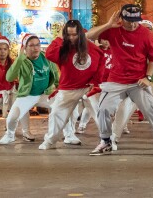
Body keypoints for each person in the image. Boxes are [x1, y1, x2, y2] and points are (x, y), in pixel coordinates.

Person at [85, 3, 153, 157]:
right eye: (128, 20)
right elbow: (89, 36)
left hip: (137, 81)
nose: (133, 24)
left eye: (135, 20)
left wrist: (147, 77)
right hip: (116, 80)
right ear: (121, 18)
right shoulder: (113, 30)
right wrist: (108, 24)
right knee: (103, 109)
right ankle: (106, 141)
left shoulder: (145, 34)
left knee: (151, 110)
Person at [39, 20, 105, 150]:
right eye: (68, 35)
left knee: (99, 112)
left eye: (74, 35)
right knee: (56, 113)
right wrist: (59, 38)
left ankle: (107, 140)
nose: (71, 38)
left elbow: (101, 63)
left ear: (80, 34)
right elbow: (49, 54)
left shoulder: (91, 48)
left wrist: (95, 82)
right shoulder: (63, 47)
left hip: (87, 87)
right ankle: (50, 141)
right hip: (68, 87)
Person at [0, 33, 59, 145]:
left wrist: (59, 87)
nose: (35, 48)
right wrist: (19, 59)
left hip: (45, 94)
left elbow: (55, 73)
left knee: (63, 108)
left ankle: (69, 135)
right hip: (27, 95)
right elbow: (9, 77)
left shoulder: (46, 58)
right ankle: (10, 136)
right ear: (25, 48)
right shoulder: (22, 61)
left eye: (37, 45)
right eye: (31, 45)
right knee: (11, 118)